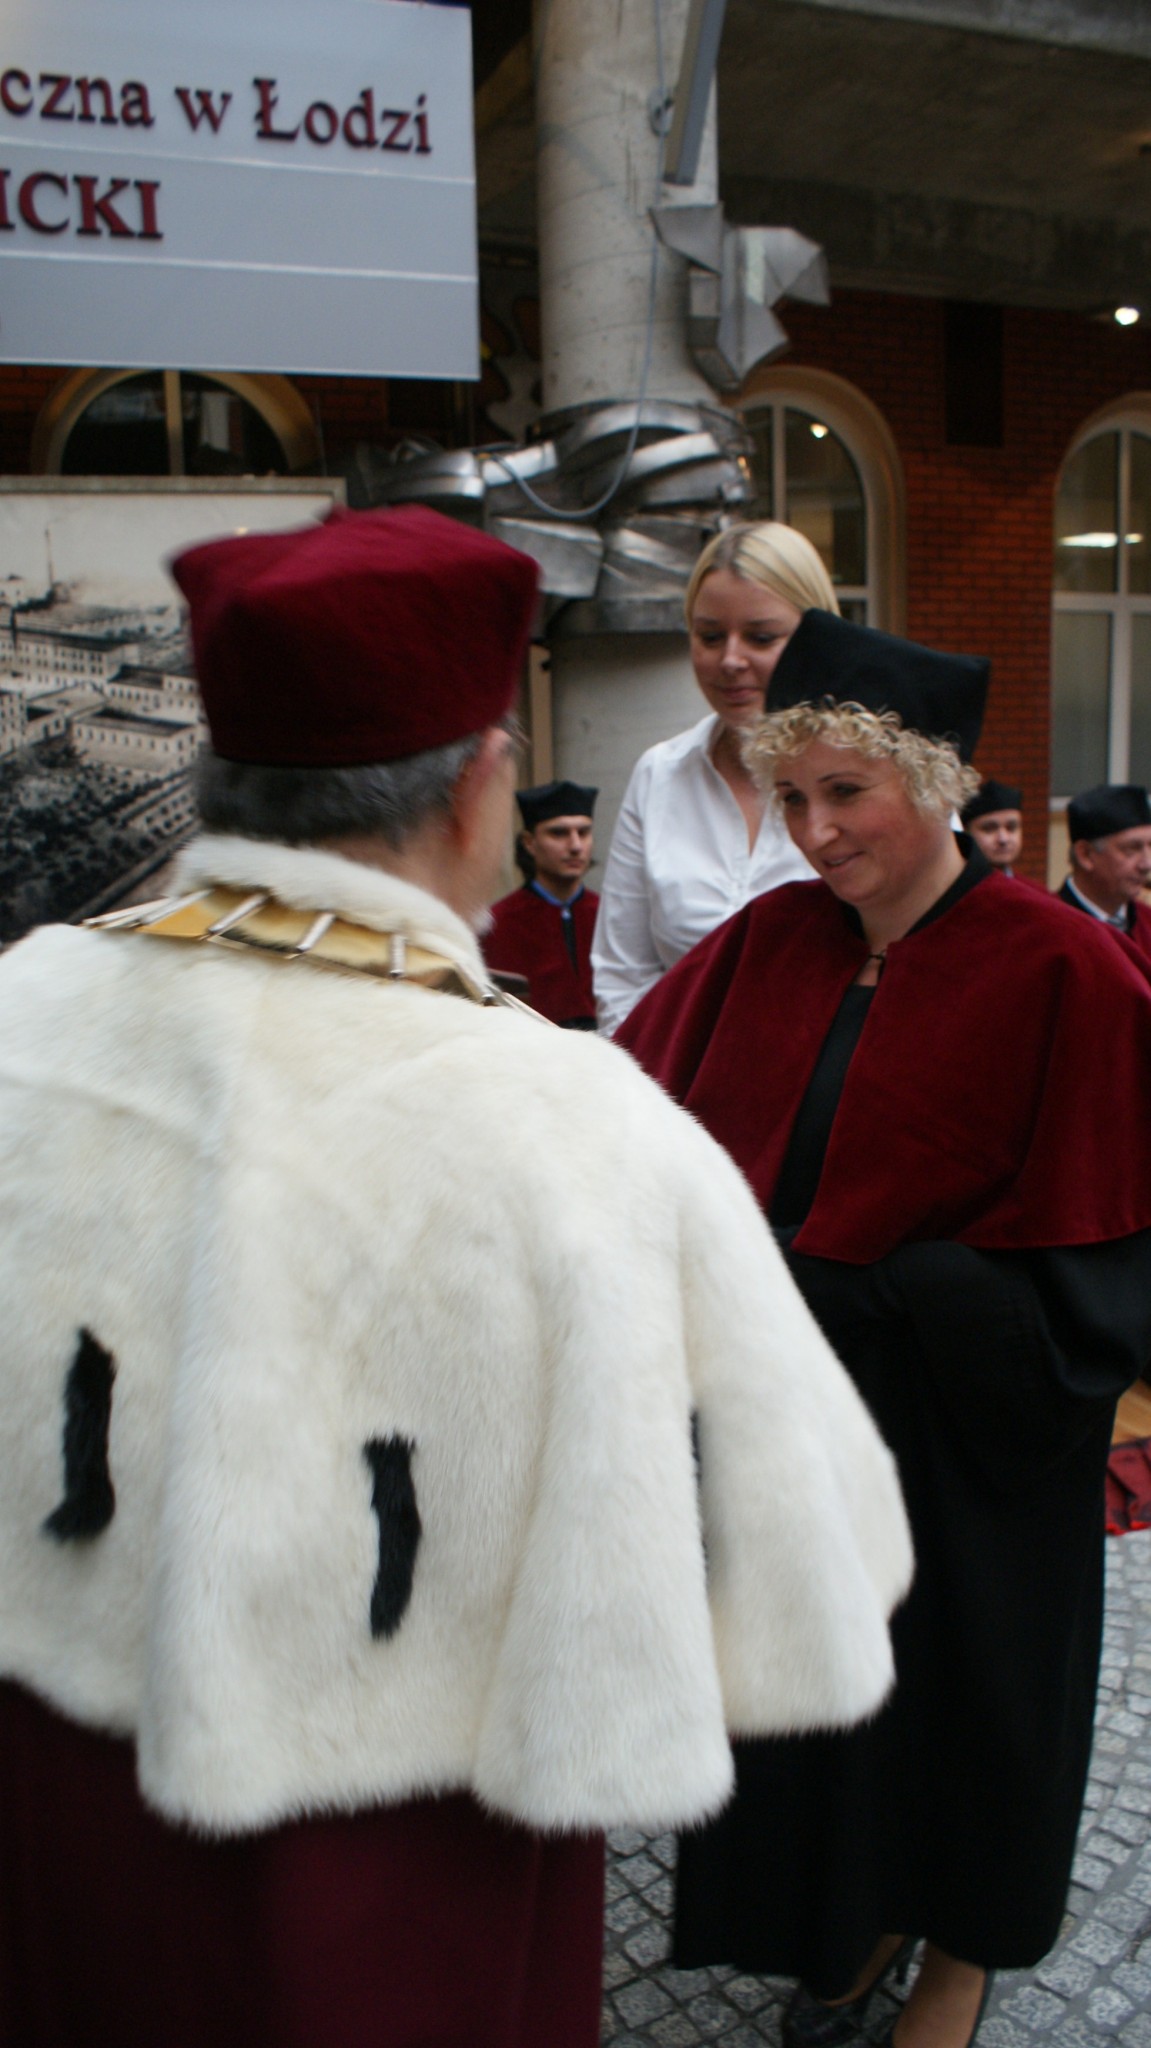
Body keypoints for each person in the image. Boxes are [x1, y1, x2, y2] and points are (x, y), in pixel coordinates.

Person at [0, 509, 913, 2048]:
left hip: (54, 1777)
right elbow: (807, 1559)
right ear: (480, 782)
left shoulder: (24, 1010)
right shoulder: (577, 1122)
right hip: (417, 1831)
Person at [619, 607, 1151, 2048]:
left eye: (844, 792)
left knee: (971, 1704)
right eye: (790, 797)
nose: (812, 833)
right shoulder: (766, 942)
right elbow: (624, 1109)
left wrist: (896, 1282)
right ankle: (848, 1918)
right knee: (820, 1710)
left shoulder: (1060, 966)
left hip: (976, 1429)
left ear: (933, 785)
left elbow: (1108, 1259)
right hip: (793, 1420)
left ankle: (961, 1956)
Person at [591, 521, 839, 1036]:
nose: (730, 660)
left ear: (818, 636)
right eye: (710, 636)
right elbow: (622, 974)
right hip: (674, 1078)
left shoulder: (885, 771)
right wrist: (652, 1075)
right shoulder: (660, 773)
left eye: (761, 637)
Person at [483, 779, 598, 1026]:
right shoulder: (497, 925)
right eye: (559, 833)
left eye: (583, 832)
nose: (576, 846)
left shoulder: (609, 917)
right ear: (529, 842)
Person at [1058, 782, 1151, 959]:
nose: (1147, 864)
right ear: (1085, 855)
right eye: (1132, 849)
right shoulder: (1048, 930)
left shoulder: (1146, 924)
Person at [960, 778, 1023, 873]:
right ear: (966, 831)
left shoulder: (1029, 883)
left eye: (1011, 828)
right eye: (989, 829)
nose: (1003, 839)